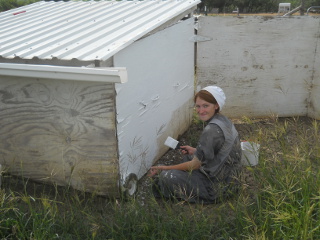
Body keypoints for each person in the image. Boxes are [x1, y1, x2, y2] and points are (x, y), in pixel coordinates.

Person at [149, 86, 242, 203]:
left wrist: (164, 168)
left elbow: (195, 165)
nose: (201, 110)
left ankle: (200, 193)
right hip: (232, 179)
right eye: (198, 106)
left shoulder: (211, 130)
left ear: (216, 105)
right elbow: (221, 150)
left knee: (166, 176)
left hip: (218, 187)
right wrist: (194, 150)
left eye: (205, 106)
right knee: (189, 156)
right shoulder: (224, 121)